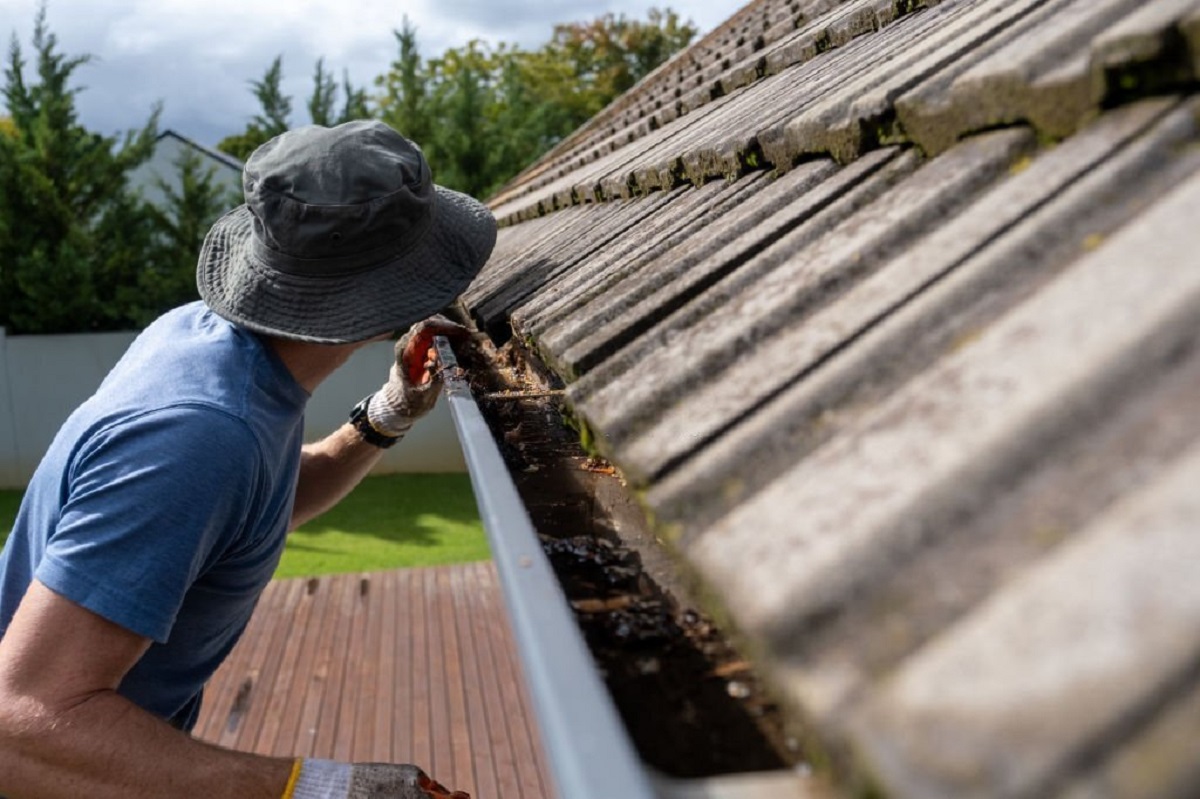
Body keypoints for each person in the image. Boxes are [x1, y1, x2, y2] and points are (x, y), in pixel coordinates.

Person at [0, 120, 496, 798]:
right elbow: (21, 723)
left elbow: (256, 507)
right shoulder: (200, 435)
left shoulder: (209, 348)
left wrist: (388, 413)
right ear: (385, 292)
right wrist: (321, 787)